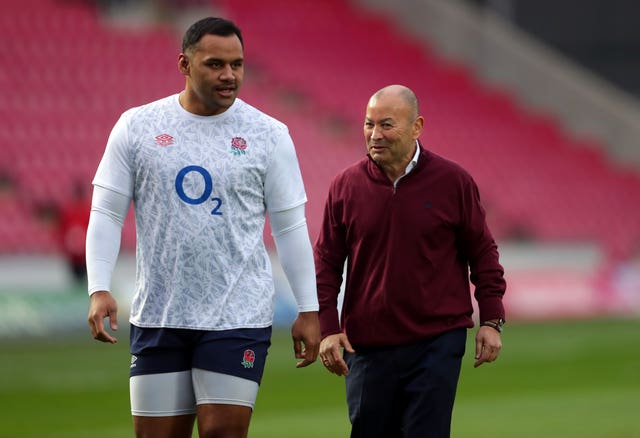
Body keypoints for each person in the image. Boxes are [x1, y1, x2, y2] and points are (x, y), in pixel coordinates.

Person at [86, 17, 320, 438]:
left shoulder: (269, 135)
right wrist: (98, 286)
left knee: (223, 433)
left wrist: (309, 307)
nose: (229, 75)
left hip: (237, 315)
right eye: (215, 64)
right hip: (160, 312)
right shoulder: (137, 127)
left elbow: (290, 228)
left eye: (237, 64)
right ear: (184, 64)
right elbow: (106, 213)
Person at [314, 84, 506, 437]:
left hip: (437, 341)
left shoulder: (453, 182)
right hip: (367, 346)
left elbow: (482, 252)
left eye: (386, 125)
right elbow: (326, 262)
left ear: (417, 127)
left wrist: (491, 319)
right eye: (369, 124)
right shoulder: (345, 186)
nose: (375, 135)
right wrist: (327, 328)